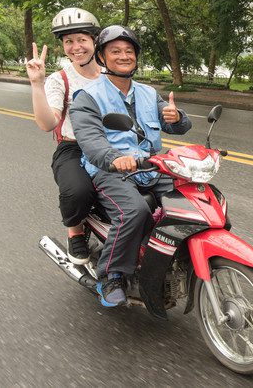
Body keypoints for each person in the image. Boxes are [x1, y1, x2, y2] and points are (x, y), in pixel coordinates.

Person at [70, 25, 191, 308]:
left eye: (129, 51)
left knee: (193, 199)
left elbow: (177, 125)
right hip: (111, 171)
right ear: (102, 57)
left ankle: (180, 256)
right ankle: (111, 276)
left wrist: (177, 117)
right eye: (115, 51)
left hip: (150, 167)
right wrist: (113, 158)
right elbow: (90, 140)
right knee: (134, 211)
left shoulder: (148, 93)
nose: (124, 56)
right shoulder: (88, 96)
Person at [25, 7, 102, 265]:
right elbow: (48, 123)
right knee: (77, 191)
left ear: (94, 41)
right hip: (74, 148)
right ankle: (75, 231)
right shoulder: (60, 80)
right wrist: (37, 83)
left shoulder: (111, 75)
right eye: (69, 41)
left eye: (81, 39)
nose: (76, 47)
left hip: (109, 146)